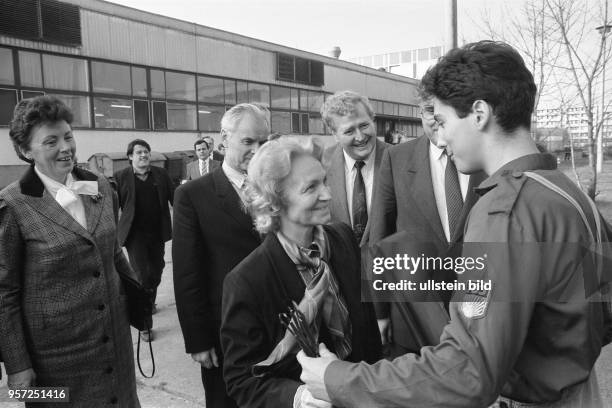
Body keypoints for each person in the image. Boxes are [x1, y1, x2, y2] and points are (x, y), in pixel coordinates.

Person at [298, 41, 612, 407]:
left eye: (444, 121)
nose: (441, 138)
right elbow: (602, 313)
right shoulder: (572, 196)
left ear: (479, 114)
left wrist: (338, 379)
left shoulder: (505, 212)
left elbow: (468, 371)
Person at [220, 138, 382, 408]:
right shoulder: (247, 280)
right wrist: (298, 397)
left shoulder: (342, 238)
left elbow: (365, 321)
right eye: (310, 188)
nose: (328, 195)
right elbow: (241, 380)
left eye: (324, 181)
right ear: (273, 204)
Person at [0, 96, 139, 406]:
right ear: (26, 151)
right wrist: (17, 367)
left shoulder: (100, 187)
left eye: (68, 136)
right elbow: (3, 293)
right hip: (55, 361)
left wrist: (138, 299)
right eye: (51, 141)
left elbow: (113, 250)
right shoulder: (13, 205)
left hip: (113, 343)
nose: (66, 147)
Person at [369, 96, 485, 358]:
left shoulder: (483, 158)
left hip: (479, 316)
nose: (435, 118)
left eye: (442, 111)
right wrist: (380, 312)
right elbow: (380, 235)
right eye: (428, 110)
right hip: (414, 319)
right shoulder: (396, 158)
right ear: (418, 111)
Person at [173, 103, 269, 408]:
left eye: (263, 142)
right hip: (225, 333)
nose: (257, 150)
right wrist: (198, 339)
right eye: (248, 141)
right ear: (224, 139)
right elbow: (188, 273)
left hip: (278, 329)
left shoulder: (275, 186)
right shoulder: (193, 195)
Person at [113, 139, 175, 341]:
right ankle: (144, 324)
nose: (144, 155)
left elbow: (176, 200)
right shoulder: (121, 177)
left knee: (156, 271)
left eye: (146, 151)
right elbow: (113, 205)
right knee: (141, 275)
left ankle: (150, 299)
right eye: (139, 152)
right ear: (130, 156)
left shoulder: (161, 174)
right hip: (134, 235)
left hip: (157, 232)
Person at [321, 91, 387, 246]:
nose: (360, 137)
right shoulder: (320, 165)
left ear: (373, 121)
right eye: (349, 131)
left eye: (364, 125)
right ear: (335, 134)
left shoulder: (400, 160)